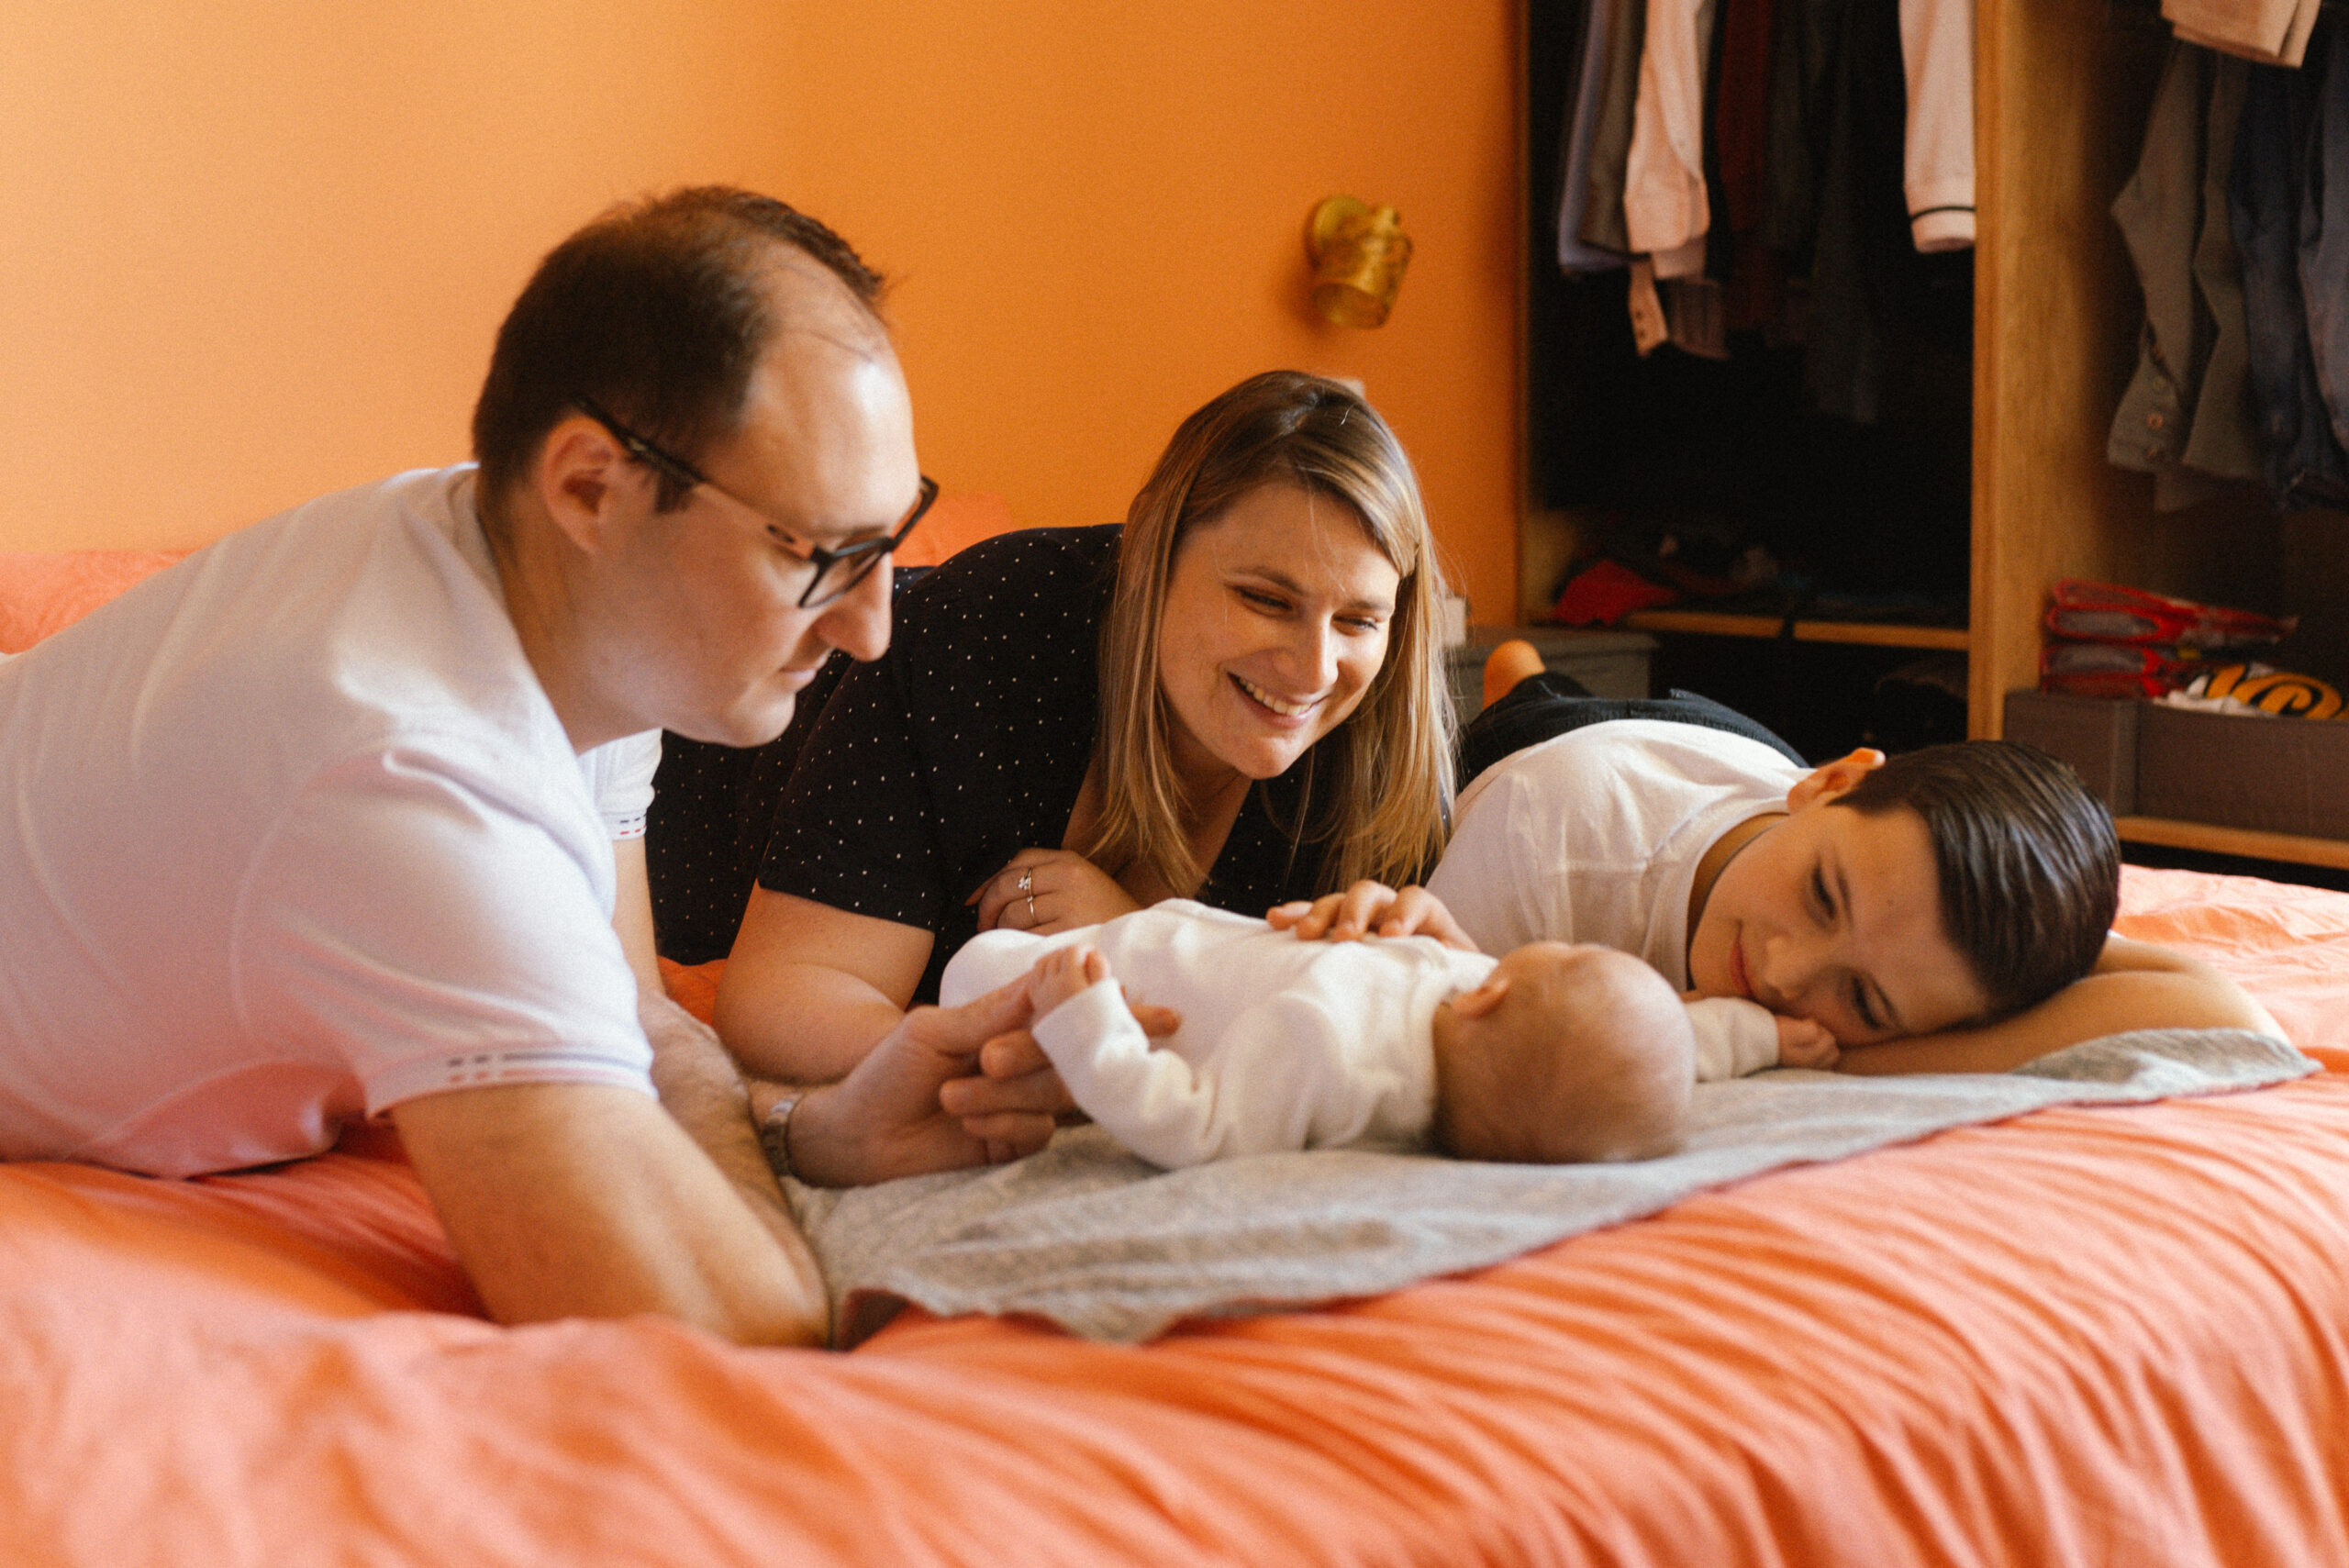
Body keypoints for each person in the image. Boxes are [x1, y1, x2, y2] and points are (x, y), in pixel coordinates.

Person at [0, 188, 1070, 1347]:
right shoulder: (414, 777)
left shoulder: (564, 617)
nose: (872, 626)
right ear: (589, 489)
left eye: (892, 537)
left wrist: (810, 1127)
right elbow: (724, 1321)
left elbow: (638, 1018)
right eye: (823, 553)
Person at [715, 370, 1458, 1092]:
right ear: (1148, 558)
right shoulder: (982, 634)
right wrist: (1044, 1061)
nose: (1313, 667)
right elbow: (782, 994)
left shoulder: (1376, 731)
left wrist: (1141, 940)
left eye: (1359, 620)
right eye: (1264, 599)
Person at [1271, 645, 2280, 1073]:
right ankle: (1519, 668)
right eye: (1823, 894)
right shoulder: (1546, 849)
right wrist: (1846, 1046)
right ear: (1837, 782)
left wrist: (1872, 1053)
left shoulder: (1910, 917)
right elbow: (1419, 1020)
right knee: (1528, 697)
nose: (1788, 973)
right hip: (1570, 759)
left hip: (1736, 773)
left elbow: (2222, 1011)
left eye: (1868, 1001)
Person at [934, 899, 1837, 1172]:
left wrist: (1082, 1020)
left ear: (1488, 996)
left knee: (975, 968)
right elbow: (1664, 1048)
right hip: (1191, 929)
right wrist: (1759, 1033)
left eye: (1555, 953)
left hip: (1124, 969)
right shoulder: (1501, 1026)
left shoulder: (1326, 1047)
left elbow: (1192, 1125)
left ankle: (1010, 982)